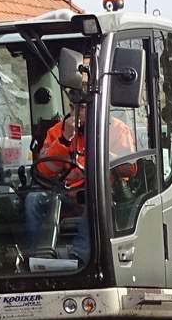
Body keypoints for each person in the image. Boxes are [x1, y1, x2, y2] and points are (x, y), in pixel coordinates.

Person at [25, 104, 136, 264]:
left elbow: (129, 169)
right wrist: (65, 138)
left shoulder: (117, 130)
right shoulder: (57, 131)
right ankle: (37, 257)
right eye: (73, 107)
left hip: (98, 192)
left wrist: (96, 158)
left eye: (83, 107)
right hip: (64, 193)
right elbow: (43, 170)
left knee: (94, 199)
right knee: (33, 199)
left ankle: (79, 259)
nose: (76, 112)